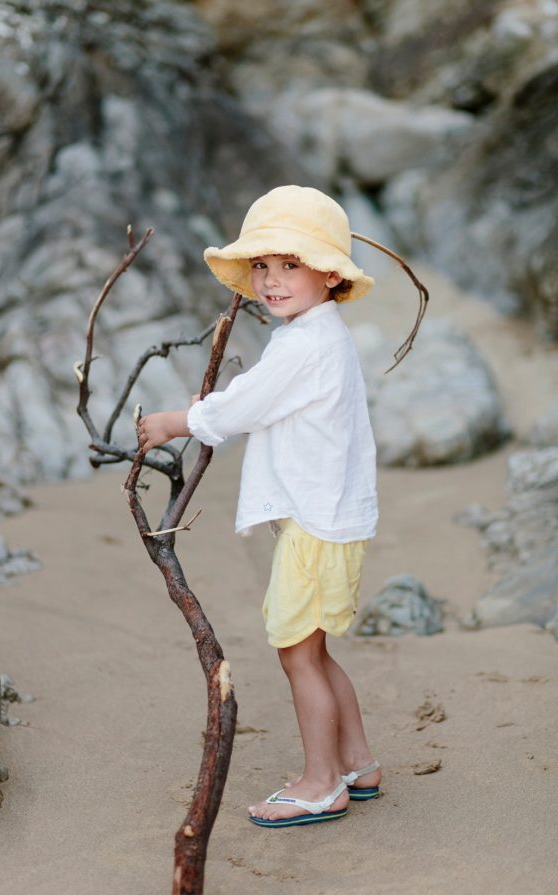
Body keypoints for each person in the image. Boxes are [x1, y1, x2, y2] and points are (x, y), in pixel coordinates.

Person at [138, 185, 382, 828]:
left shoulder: (304, 345)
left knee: (298, 654)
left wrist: (175, 421)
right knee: (317, 651)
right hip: (332, 520)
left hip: (316, 524)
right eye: (264, 267)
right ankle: (356, 762)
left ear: (330, 275)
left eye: (291, 265)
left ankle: (321, 781)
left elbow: (245, 405)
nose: (272, 282)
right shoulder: (320, 334)